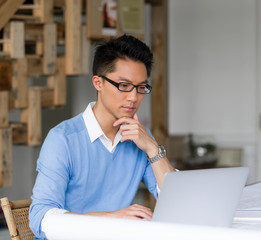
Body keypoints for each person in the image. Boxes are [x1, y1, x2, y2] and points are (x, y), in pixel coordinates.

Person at [29, 35, 176, 239]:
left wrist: (153, 149)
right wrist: (112, 218)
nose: (133, 97)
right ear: (98, 83)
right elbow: (41, 218)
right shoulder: (62, 139)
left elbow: (177, 202)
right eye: (124, 85)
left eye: (141, 87)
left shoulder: (140, 138)